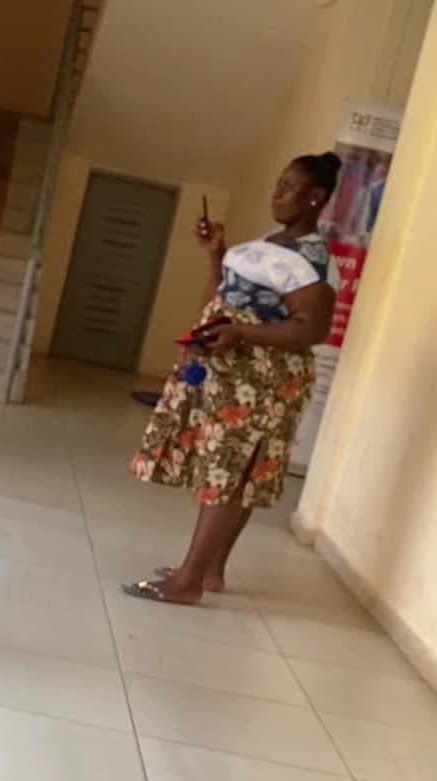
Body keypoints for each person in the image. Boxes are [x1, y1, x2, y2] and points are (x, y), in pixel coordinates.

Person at [125, 153, 341, 604]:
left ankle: (187, 582)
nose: (276, 194)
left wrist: (241, 333)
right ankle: (209, 571)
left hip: (263, 382)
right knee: (231, 470)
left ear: (315, 197)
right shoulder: (272, 242)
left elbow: (311, 330)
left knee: (232, 472)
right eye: (278, 184)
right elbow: (223, 298)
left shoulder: (313, 259)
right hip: (232, 374)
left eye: (289, 187)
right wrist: (216, 254)